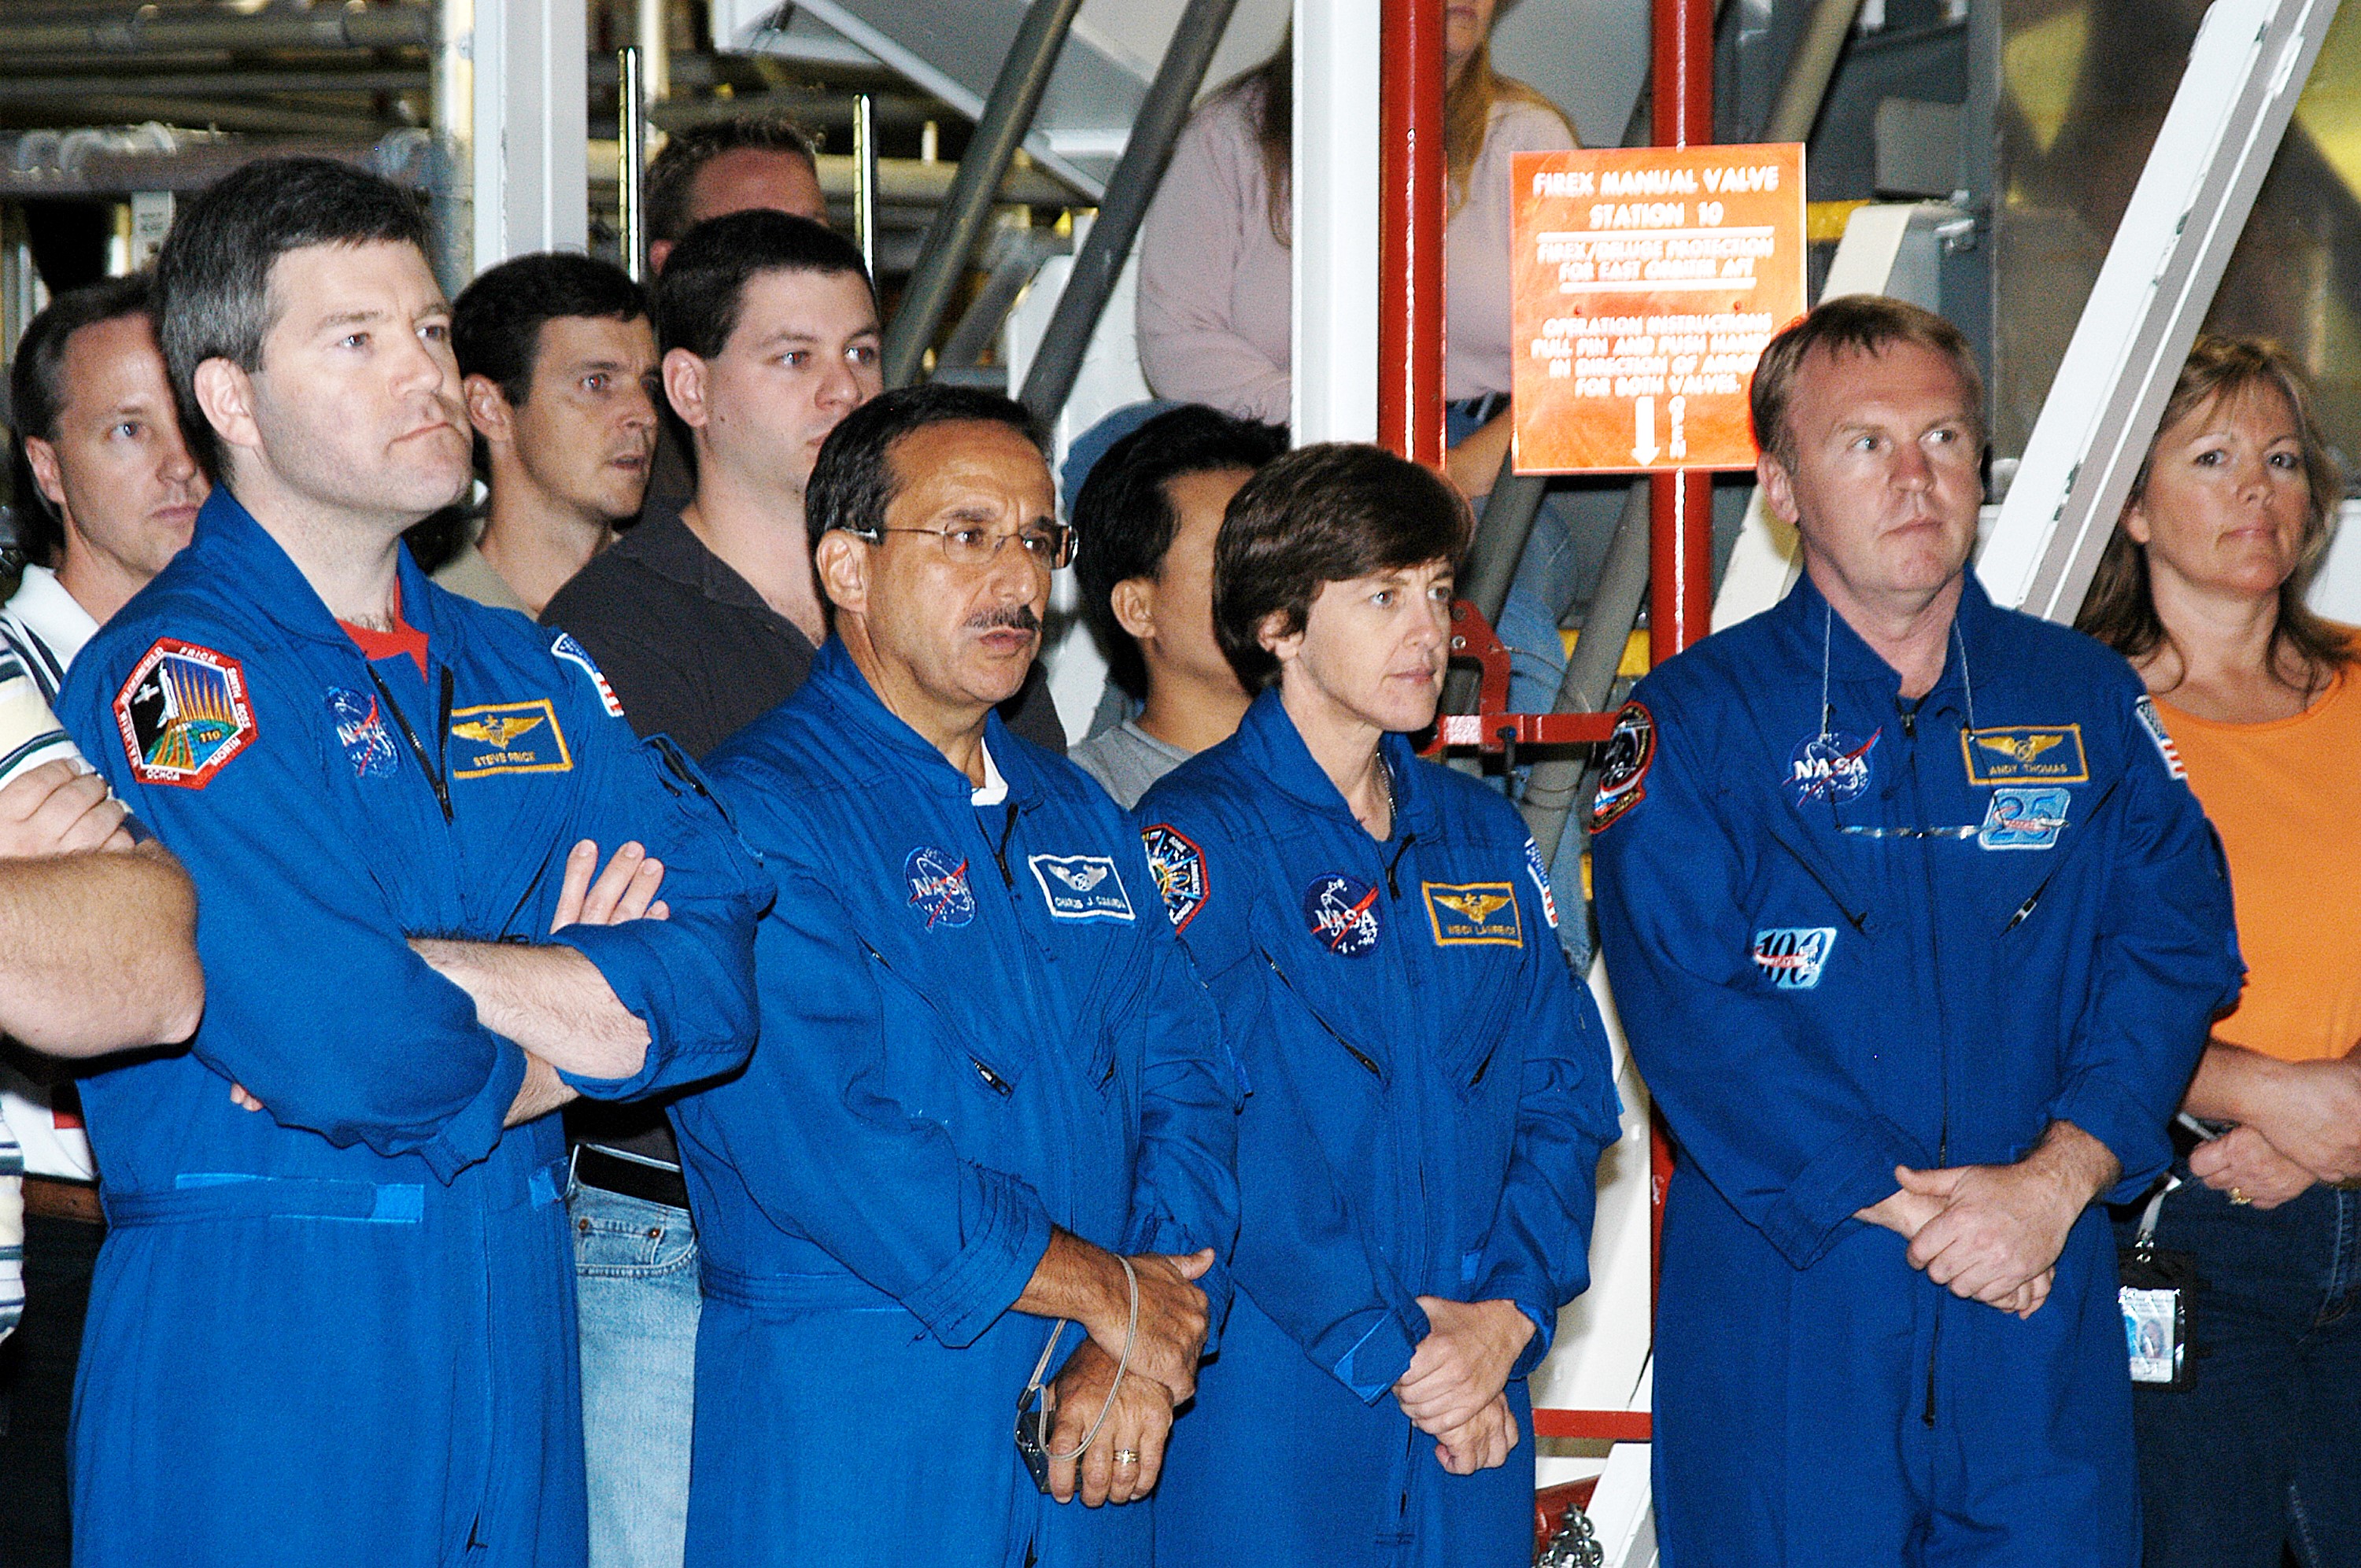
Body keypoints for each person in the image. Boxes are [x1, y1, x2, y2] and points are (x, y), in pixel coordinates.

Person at [52, 155, 767, 1568]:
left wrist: (422, 969)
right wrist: (575, 1007)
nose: (425, 375)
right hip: (268, 1332)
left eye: (431, 330)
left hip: (512, 1304)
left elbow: (721, 955)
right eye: (357, 339)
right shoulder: (174, 679)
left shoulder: (529, 664)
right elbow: (340, 1040)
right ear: (232, 403)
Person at [1588, 296, 2243, 1566]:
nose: (1914, 478)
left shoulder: (2086, 699)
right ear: (1780, 483)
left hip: (2038, 1289)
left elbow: (2175, 946)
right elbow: (1689, 1000)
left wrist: (2054, 1183)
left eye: (1945, 439)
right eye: (1865, 444)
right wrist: (1922, 1212)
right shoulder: (1696, 720)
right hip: (1802, 1297)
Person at [538, 210, 1064, 1568]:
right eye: (793, 356)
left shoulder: (972, 629)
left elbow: (1053, 911)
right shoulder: (611, 636)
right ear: (694, 391)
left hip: (972, 1220)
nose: (843, 385)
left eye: (862, 349)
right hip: (690, 1238)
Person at [673, 384, 1240, 1566]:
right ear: (848, 566)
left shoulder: (1074, 805)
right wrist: (1110, 1293)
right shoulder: (752, 811)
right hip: (863, 1426)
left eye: (1040, 539)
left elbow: (1186, 1073)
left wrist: (1143, 1330)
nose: (1021, 580)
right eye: (968, 535)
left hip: (1090, 1425)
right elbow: (831, 1147)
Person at [1140, 443, 1620, 1566]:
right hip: (1280, 1385)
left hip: (1471, 1376)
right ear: (1280, 626)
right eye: (1384, 596)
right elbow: (1226, 1117)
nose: (1431, 632)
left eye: (1440, 592)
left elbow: (1566, 1091)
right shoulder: (1196, 833)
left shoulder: (1482, 833)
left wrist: (1508, 1314)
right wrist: (1399, 1353)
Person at [2075, 338, 2361, 1568]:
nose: (2259, 490)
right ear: (2132, 508)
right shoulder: (2081, 716)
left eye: (2283, 459)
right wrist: (2265, 1099)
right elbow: (2051, 988)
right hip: (2191, 1209)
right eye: (2215, 458)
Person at [1138, 2, 1579, 707]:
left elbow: (1577, 353)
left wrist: (1456, 472)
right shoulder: (1233, 133)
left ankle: (1522, 817)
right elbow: (1176, 336)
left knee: (1507, 630)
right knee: (1177, 583)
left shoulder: (1529, 137)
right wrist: (1334, 418)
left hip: (1479, 458)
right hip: (1278, 449)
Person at [0, 270, 205, 1568]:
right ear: (48, 467)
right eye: (129, 429)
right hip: (60, 1238)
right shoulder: (19, 675)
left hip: (179, 1231)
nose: (177, 465)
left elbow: (177, 911)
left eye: (188, 422)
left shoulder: (204, 681)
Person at [1068, 404, 1284, 806]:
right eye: (1232, 556)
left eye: (1278, 550)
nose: (1273, 579)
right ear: (1137, 609)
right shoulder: (1087, 805)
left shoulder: (1363, 778)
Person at [431, 253, 657, 616]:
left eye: (648, 385)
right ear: (489, 409)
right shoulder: (421, 615)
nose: (644, 414)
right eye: (595, 383)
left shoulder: (679, 611)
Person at [640, 114, 829, 515]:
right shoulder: (632, 462)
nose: (797, 261)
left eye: (812, 235)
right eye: (755, 238)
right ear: (670, 264)